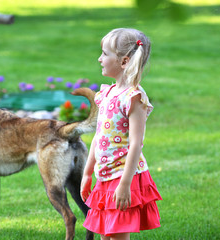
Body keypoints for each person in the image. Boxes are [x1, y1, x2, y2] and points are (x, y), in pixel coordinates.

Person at [80, 28, 162, 240]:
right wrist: (88, 173)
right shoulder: (106, 94)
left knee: (117, 235)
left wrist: (125, 185)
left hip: (125, 176)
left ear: (124, 61)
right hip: (105, 174)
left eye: (105, 54)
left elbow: (136, 143)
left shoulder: (134, 98)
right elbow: (99, 137)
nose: (99, 59)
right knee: (105, 234)